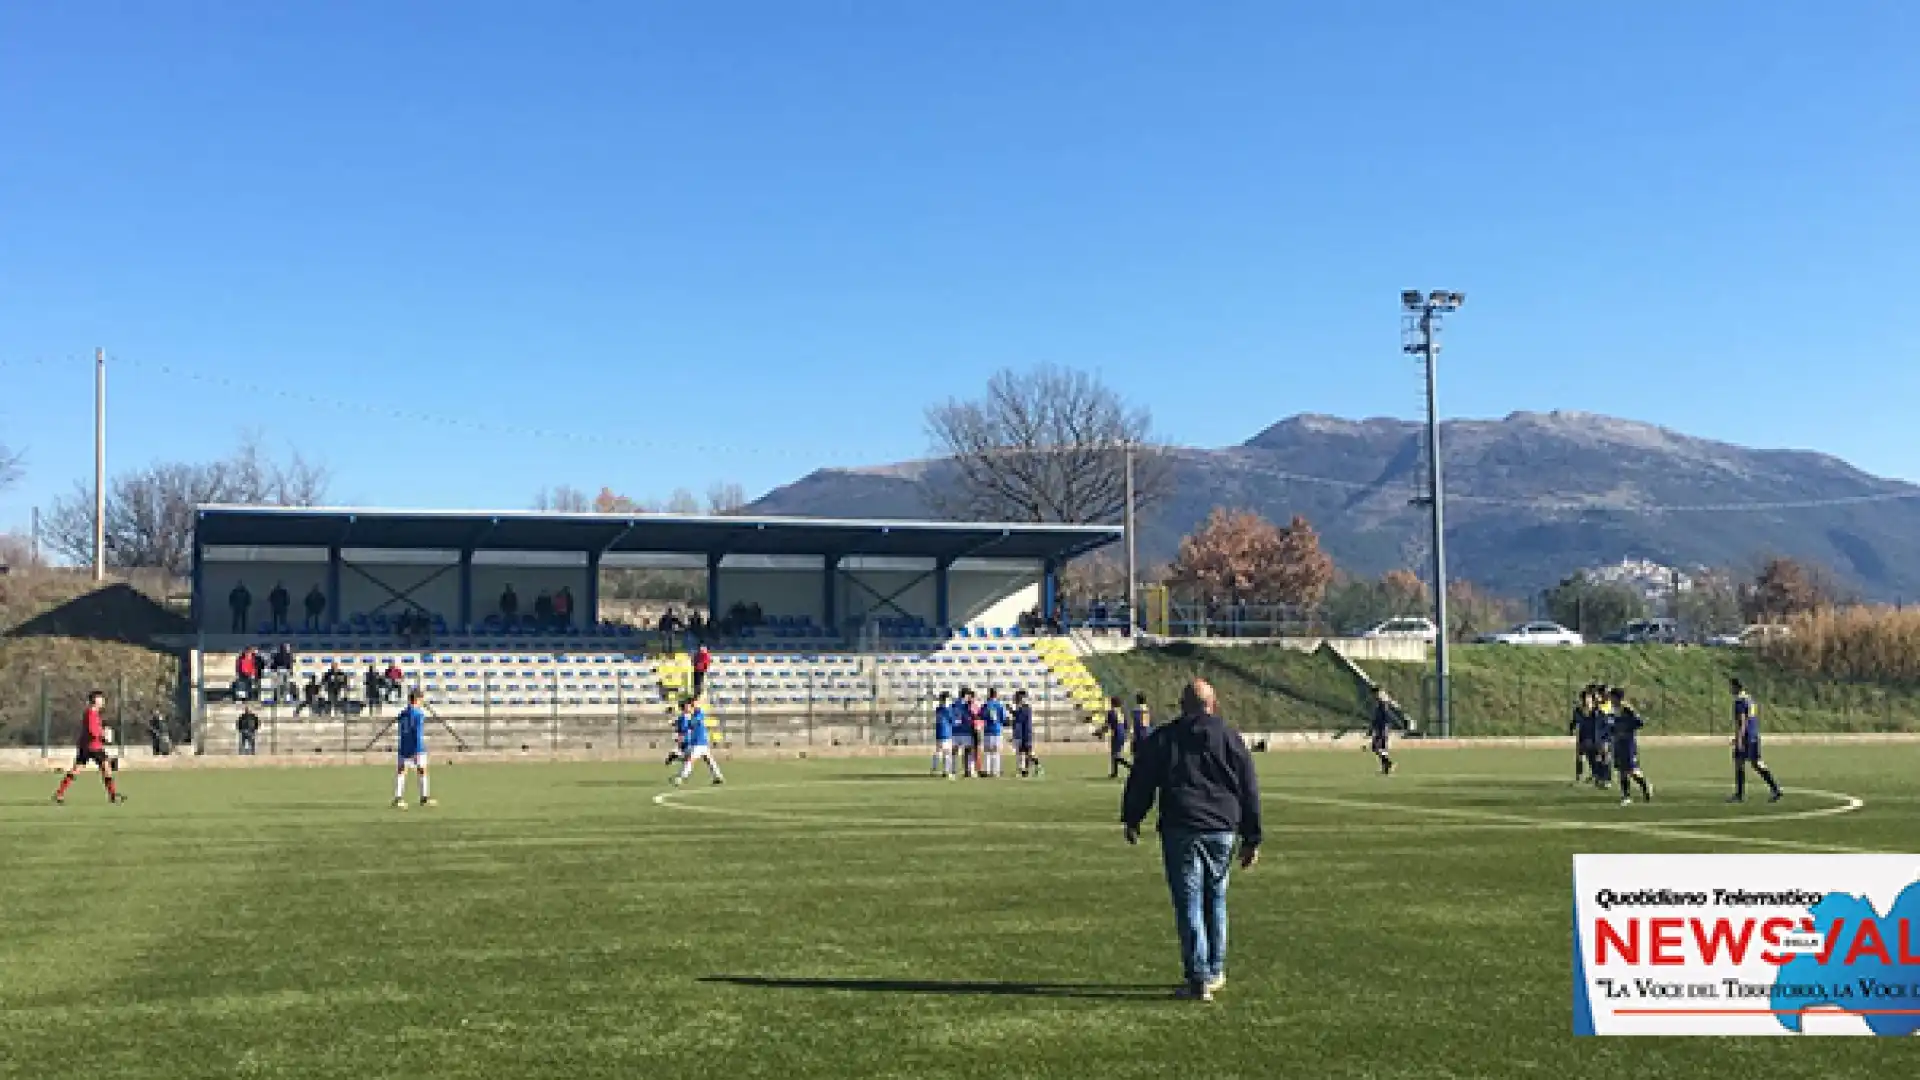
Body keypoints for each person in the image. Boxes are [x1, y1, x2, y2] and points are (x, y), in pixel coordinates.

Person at [1121, 679, 1261, 1002]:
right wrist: (1252, 836)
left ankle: (1198, 976)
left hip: (1182, 826)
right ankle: (1214, 969)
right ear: (1214, 704)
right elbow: (1249, 787)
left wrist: (1132, 817)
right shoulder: (1230, 739)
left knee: (1190, 902)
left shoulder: (1166, 738)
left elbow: (1142, 778)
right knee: (1217, 899)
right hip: (1222, 828)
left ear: (1182, 706)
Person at [53, 690, 126, 805]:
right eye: (101, 699)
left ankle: (59, 793)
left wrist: (102, 734)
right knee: (106, 768)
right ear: (95, 700)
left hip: (87, 746)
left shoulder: (93, 713)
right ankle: (113, 795)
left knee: (76, 769)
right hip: (93, 747)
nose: (103, 701)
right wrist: (104, 735)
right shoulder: (91, 713)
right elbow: (92, 731)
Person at [1728, 679, 1784, 803]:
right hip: (1753, 735)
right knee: (1755, 763)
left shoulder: (1739, 701)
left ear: (1736, 687)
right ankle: (1775, 788)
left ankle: (1740, 794)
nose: (1730, 689)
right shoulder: (1749, 699)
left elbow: (1742, 721)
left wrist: (1739, 739)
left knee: (1741, 762)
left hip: (1746, 736)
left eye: (1731, 686)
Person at [1608, 687, 1654, 806]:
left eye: (1611, 696)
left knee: (1632, 770)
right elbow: (1611, 725)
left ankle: (1645, 786)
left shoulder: (1627, 709)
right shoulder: (1613, 710)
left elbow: (1639, 722)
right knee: (1621, 771)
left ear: (1617, 697)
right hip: (1617, 743)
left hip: (1627, 744)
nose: (1610, 699)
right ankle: (1626, 796)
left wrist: (1626, 730)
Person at [392, 690, 436, 809]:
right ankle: (424, 797)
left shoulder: (403, 713)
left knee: (402, 771)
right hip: (416, 747)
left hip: (404, 745)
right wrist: (417, 750)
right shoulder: (418, 714)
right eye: (422, 699)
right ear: (417, 699)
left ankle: (398, 798)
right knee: (422, 770)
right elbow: (417, 733)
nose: (422, 702)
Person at [671, 698, 725, 786]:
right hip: (699, 742)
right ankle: (718, 777)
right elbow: (684, 728)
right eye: (690, 705)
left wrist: (684, 721)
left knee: (691, 760)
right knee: (708, 760)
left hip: (700, 742)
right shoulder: (687, 716)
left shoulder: (698, 713)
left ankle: (680, 777)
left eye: (692, 704)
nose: (692, 706)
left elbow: (693, 723)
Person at [1368, 686, 1398, 776]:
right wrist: (1372, 727)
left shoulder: (1383, 703)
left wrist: (1384, 727)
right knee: (1377, 748)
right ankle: (1386, 766)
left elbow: (1385, 717)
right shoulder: (1378, 703)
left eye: (1374, 693)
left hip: (1382, 728)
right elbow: (1376, 718)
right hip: (1379, 728)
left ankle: (1388, 764)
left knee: (1379, 747)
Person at [1011, 689, 1040, 778]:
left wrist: (1012, 712)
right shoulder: (1022, 708)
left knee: (1027, 752)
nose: (1015, 700)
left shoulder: (1025, 708)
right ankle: (1025, 771)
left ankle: (1036, 767)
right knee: (1024, 752)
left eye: (1016, 698)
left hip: (1026, 733)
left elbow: (1019, 719)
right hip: (1023, 733)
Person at [981, 688, 1008, 778]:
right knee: (996, 752)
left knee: (987, 752)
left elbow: (982, 716)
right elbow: (1004, 719)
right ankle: (995, 772)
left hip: (988, 731)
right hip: (997, 731)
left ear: (989, 695)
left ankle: (986, 771)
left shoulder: (986, 705)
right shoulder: (1000, 705)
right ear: (996, 695)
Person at [1102, 696, 1130, 779]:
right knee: (1116, 754)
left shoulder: (1111, 712)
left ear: (1112, 703)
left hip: (1116, 734)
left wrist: (1100, 732)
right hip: (1122, 734)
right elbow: (1126, 725)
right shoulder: (1122, 712)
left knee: (1115, 755)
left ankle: (1130, 766)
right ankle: (1115, 773)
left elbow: (1107, 725)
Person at [951, 688, 976, 778]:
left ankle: (953, 771)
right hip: (965, 731)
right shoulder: (967, 705)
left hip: (955, 732)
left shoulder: (954, 704)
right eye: (968, 695)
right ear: (965, 695)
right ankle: (967, 771)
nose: (969, 697)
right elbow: (972, 715)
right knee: (967, 751)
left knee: (955, 752)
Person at [930, 691, 956, 778]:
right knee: (947, 753)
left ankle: (934, 767)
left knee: (939, 752)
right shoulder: (948, 710)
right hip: (946, 734)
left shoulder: (938, 709)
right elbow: (953, 721)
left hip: (939, 734)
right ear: (947, 699)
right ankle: (946, 771)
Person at [1130, 694, 1153, 758]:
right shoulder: (1145, 710)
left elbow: (1134, 724)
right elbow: (1145, 725)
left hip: (1137, 734)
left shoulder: (1135, 711)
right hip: (1144, 735)